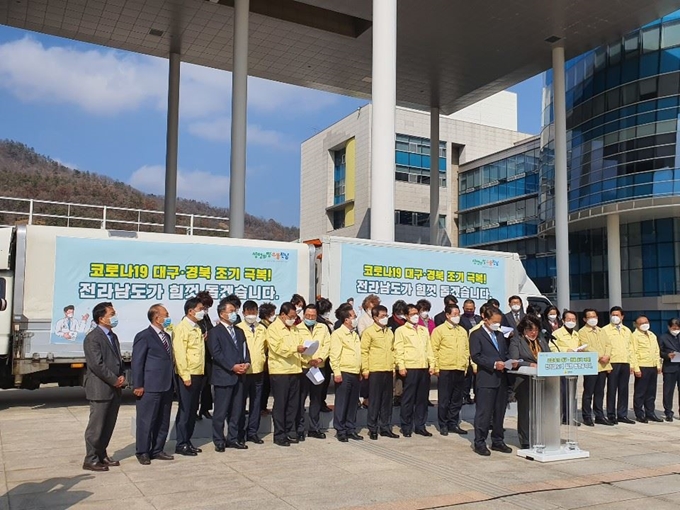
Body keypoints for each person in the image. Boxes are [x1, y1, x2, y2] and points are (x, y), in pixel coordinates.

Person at [82, 302, 124, 472]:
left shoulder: (112, 336)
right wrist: (115, 380)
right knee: (97, 426)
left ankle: (102, 455)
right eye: (111, 314)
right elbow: (97, 365)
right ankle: (90, 458)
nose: (114, 317)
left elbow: (117, 361)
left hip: (114, 388)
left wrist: (121, 378)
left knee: (108, 424)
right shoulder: (93, 337)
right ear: (101, 318)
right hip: (100, 389)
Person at [132, 304, 175, 465]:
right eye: (166, 314)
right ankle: (143, 451)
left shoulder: (167, 336)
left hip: (166, 384)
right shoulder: (144, 336)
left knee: (163, 420)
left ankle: (157, 449)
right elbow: (138, 362)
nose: (168, 317)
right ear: (157, 318)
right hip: (150, 385)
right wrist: (138, 385)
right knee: (146, 420)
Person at [470, 307, 515, 456]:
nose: (497, 325)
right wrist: (494, 364)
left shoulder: (500, 335)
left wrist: (511, 362)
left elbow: (505, 353)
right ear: (486, 320)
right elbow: (476, 356)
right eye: (494, 322)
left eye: (499, 323)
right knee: (484, 413)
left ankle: (497, 441)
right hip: (486, 378)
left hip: (501, 379)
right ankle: (480, 442)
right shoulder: (476, 335)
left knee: (499, 412)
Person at [208, 298, 250, 451]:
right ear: (222, 314)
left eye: (235, 311)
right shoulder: (215, 332)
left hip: (240, 376)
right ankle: (219, 440)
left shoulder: (239, 331)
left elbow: (245, 350)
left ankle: (233, 438)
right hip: (224, 376)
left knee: (237, 410)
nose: (234, 314)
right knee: (220, 411)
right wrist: (232, 367)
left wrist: (246, 363)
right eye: (231, 311)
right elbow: (217, 354)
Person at [267, 302, 306, 446]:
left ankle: (290, 431)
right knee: (281, 404)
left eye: (294, 316)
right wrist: (295, 348)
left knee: (293, 404)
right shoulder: (273, 329)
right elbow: (278, 348)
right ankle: (279, 434)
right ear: (282, 315)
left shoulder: (295, 329)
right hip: (280, 371)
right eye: (290, 316)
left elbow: (302, 344)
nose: (293, 319)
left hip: (295, 369)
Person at [509, 315, 550, 449]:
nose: (533, 333)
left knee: (539, 410)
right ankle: (525, 439)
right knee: (525, 411)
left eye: (536, 330)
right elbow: (515, 360)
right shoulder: (517, 340)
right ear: (523, 330)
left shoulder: (541, 341)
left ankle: (539, 436)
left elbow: (548, 355)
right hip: (524, 381)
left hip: (542, 380)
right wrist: (529, 364)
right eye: (530, 330)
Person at [394, 303, 435, 437]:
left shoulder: (423, 330)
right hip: (410, 368)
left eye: (416, 313)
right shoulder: (401, 330)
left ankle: (420, 425)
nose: (415, 316)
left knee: (422, 399)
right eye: (412, 314)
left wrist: (432, 364)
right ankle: (406, 426)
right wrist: (401, 366)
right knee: (408, 399)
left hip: (423, 367)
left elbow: (429, 348)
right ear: (406, 316)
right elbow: (398, 349)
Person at [173, 297, 206, 456]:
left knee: (193, 409)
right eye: (200, 309)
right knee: (185, 410)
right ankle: (181, 443)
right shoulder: (182, 328)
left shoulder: (197, 327)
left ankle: (188, 441)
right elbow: (180, 354)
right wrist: (185, 375)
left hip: (198, 373)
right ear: (190, 311)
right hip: (188, 375)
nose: (202, 311)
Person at [431, 303, 469, 436]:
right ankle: (443, 424)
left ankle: (453, 423)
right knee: (444, 399)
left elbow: (466, 350)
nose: (457, 317)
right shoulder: (439, 330)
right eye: (454, 314)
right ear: (447, 315)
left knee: (457, 399)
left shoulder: (462, 331)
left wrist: (465, 366)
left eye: (458, 314)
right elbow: (434, 349)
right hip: (445, 368)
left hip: (459, 368)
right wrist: (435, 367)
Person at [361, 304, 398, 440]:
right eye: (382, 316)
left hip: (388, 370)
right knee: (375, 400)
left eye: (386, 315)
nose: (385, 318)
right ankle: (373, 428)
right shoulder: (369, 332)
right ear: (375, 317)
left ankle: (385, 427)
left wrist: (393, 367)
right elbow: (364, 351)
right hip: (375, 370)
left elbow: (393, 350)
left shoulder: (389, 332)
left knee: (387, 401)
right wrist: (365, 369)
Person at [296, 304, 331, 440]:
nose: (310, 318)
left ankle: (314, 428)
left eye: (313, 316)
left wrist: (319, 358)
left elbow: (326, 345)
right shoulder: (297, 329)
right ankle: (299, 428)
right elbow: (296, 348)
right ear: (304, 315)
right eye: (308, 315)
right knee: (300, 399)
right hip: (303, 368)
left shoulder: (322, 328)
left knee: (316, 399)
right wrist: (307, 360)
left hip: (318, 367)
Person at [330, 303, 363, 442]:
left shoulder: (354, 334)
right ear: (346, 320)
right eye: (354, 316)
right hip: (344, 372)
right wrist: (337, 372)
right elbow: (334, 355)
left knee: (353, 402)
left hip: (355, 372)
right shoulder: (338, 334)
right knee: (342, 402)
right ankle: (341, 429)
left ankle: (351, 428)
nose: (355, 319)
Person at [237, 300, 267, 444]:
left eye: (254, 312)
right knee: (240, 404)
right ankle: (239, 433)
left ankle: (253, 432)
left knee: (256, 404)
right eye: (249, 312)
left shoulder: (262, 328)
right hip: (243, 372)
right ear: (243, 313)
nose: (251, 315)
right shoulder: (238, 328)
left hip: (258, 371)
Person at [579, 309, 613, 427]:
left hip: (603, 366)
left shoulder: (601, 330)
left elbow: (608, 344)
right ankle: (587, 416)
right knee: (589, 392)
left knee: (600, 392)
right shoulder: (582, 332)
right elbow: (586, 347)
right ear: (584, 319)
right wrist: (599, 357)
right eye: (590, 317)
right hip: (591, 365)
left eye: (595, 316)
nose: (593, 318)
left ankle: (599, 415)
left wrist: (607, 355)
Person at [602, 306, 635, 425]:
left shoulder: (627, 331)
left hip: (625, 362)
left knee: (624, 389)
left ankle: (622, 414)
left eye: (617, 315)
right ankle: (611, 414)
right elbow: (603, 347)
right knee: (611, 389)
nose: (615, 317)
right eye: (613, 315)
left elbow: (631, 348)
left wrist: (632, 364)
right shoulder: (605, 330)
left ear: (622, 316)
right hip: (612, 363)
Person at [549, 310, 581, 424]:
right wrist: (565, 351)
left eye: (573, 320)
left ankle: (569, 417)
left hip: (574, 366)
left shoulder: (577, 334)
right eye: (568, 319)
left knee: (571, 392)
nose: (571, 322)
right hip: (562, 367)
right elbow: (552, 348)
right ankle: (559, 416)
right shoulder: (556, 334)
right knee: (561, 392)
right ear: (563, 320)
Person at [631, 316, 662, 423]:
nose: (645, 324)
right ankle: (639, 414)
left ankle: (650, 413)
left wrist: (658, 365)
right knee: (640, 392)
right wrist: (636, 368)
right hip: (642, 366)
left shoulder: (652, 335)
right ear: (637, 325)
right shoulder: (634, 336)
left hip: (652, 366)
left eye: (646, 322)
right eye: (641, 323)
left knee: (651, 392)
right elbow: (633, 353)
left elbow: (656, 351)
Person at [196, 291, 215, 421]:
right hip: (197, 357)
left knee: (207, 384)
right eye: (204, 307)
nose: (206, 310)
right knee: (198, 386)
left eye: (207, 307)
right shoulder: (193, 319)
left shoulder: (206, 318)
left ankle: (205, 408)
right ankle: (194, 411)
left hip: (208, 356)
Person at [659, 318, 680, 422]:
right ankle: (668, 412)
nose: (676, 329)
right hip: (669, 368)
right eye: (674, 327)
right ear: (669, 327)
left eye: (677, 327)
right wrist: (667, 355)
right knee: (668, 391)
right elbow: (659, 352)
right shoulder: (663, 337)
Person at [316, 297, 334, 413]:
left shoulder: (324, 321)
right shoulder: (321, 323)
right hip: (321, 359)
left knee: (323, 383)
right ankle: (320, 403)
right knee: (321, 384)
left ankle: (321, 402)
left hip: (325, 358)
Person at [257, 302, 277, 414]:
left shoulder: (270, 325)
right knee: (263, 386)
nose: (274, 316)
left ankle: (263, 407)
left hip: (270, 361)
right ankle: (260, 408)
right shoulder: (262, 326)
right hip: (264, 360)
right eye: (272, 313)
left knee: (267, 386)